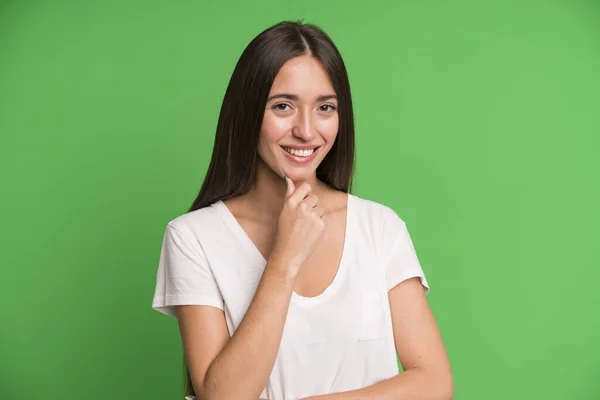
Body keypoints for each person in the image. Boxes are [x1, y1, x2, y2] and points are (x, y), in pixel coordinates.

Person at [151, 20, 453, 400]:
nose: (307, 131)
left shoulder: (379, 228)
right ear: (247, 113)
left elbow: (434, 382)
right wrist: (285, 257)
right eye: (283, 106)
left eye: (325, 108)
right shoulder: (193, 238)